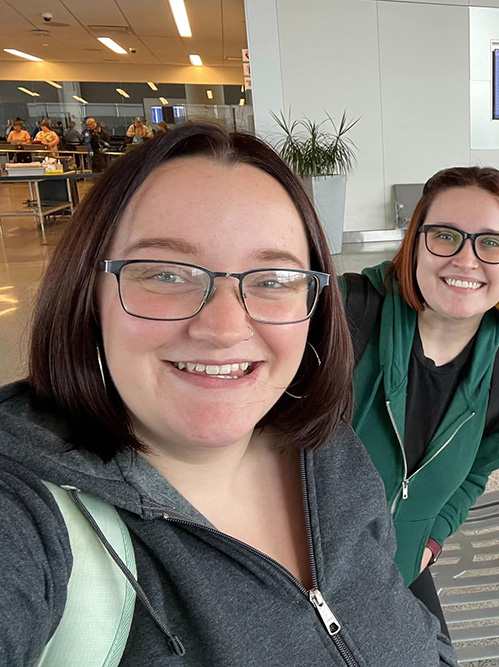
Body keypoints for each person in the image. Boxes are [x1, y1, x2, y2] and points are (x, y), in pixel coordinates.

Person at [0, 124, 457, 666]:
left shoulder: (327, 449)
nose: (222, 327)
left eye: (272, 278)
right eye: (167, 274)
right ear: (87, 294)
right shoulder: (27, 515)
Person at [344, 166, 499, 636]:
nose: (466, 260)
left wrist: (432, 538)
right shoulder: (344, 320)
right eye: (446, 235)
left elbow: (477, 471)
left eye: (491, 242)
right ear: (416, 243)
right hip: (294, 573)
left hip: (402, 569)